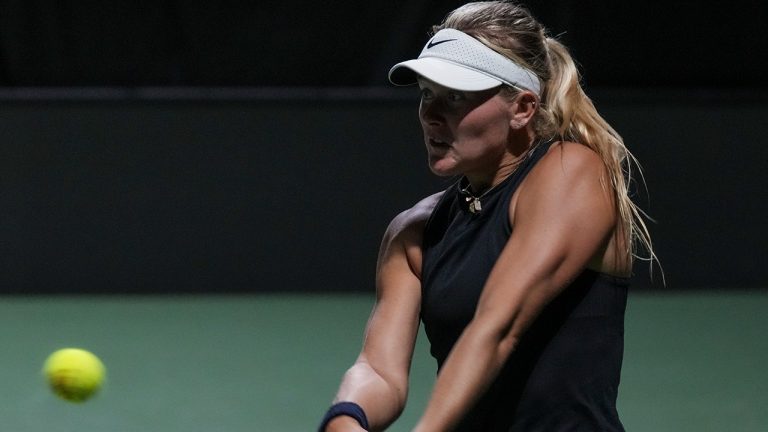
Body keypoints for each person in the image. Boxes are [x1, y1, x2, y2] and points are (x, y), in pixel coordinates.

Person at [318, 1, 655, 431]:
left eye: (456, 97)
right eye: (426, 94)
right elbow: (380, 371)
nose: (432, 115)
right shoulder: (414, 231)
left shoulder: (573, 172)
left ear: (523, 109)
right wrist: (346, 418)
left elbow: (497, 327)